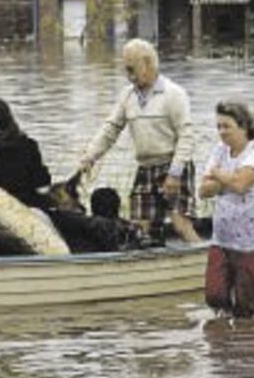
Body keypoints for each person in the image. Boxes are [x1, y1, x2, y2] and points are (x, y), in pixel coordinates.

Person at [78, 39, 199, 242]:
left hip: (173, 166)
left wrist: (175, 174)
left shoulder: (173, 94)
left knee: (180, 225)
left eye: (132, 69)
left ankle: (204, 261)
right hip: (146, 168)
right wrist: (90, 156)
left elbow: (186, 136)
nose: (129, 76)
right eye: (126, 70)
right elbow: (111, 129)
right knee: (139, 229)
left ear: (148, 64)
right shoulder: (127, 96)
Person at [199, 100, 254, 318]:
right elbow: (203, 190)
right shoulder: (220, 151)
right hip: (222, 237)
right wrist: (230, 179)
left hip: (253, 239)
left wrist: (220, 176)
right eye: (219, 127)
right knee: (215, 296)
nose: (222, 132)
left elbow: (242, 185)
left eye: (227, 126)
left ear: (243, 127)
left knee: (248, 307)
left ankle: (248, 344)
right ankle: (223, 343)